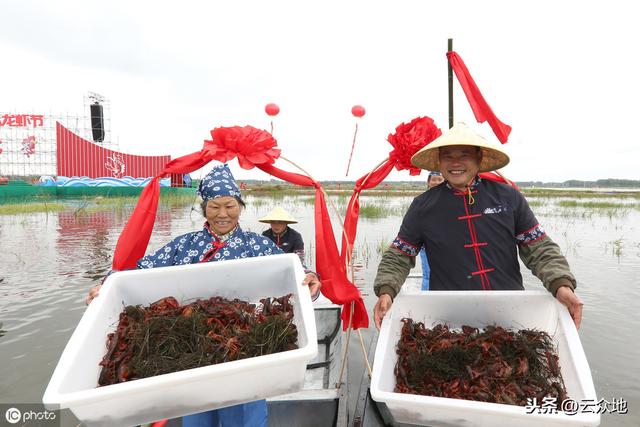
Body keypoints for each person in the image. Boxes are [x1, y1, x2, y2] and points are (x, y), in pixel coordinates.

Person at [86, 164, 320, 427]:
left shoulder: (258, 245)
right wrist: (106, 284)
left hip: (248, 352)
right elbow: (139, 270)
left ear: (240, 206)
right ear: (203, 208)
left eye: (229, 206)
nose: (222, 214)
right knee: (198, 418)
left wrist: (310, 278)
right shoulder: (184, 245)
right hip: (195, 351)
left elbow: (295, 271)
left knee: (245, 417)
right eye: (214, 206)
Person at [373, 122, 583, 330]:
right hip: (450, 317)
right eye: (448, 156)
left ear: (479, 158)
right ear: (439, 161)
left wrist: (560, 283)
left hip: (509, 314)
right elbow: (399, 255)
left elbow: (539, 248)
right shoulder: (422, 206)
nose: (456, 163)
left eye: (464, 155)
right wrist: (386, 290)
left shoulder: (508, 197)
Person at [418, 171, 444, 290]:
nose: (437, 182)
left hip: (446, 244)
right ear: (428, 182)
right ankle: (426, 302)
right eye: (434, 179)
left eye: (440, 179)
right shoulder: (421, 201)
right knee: (428, 274)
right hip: (427, 244)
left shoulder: (452, 199)